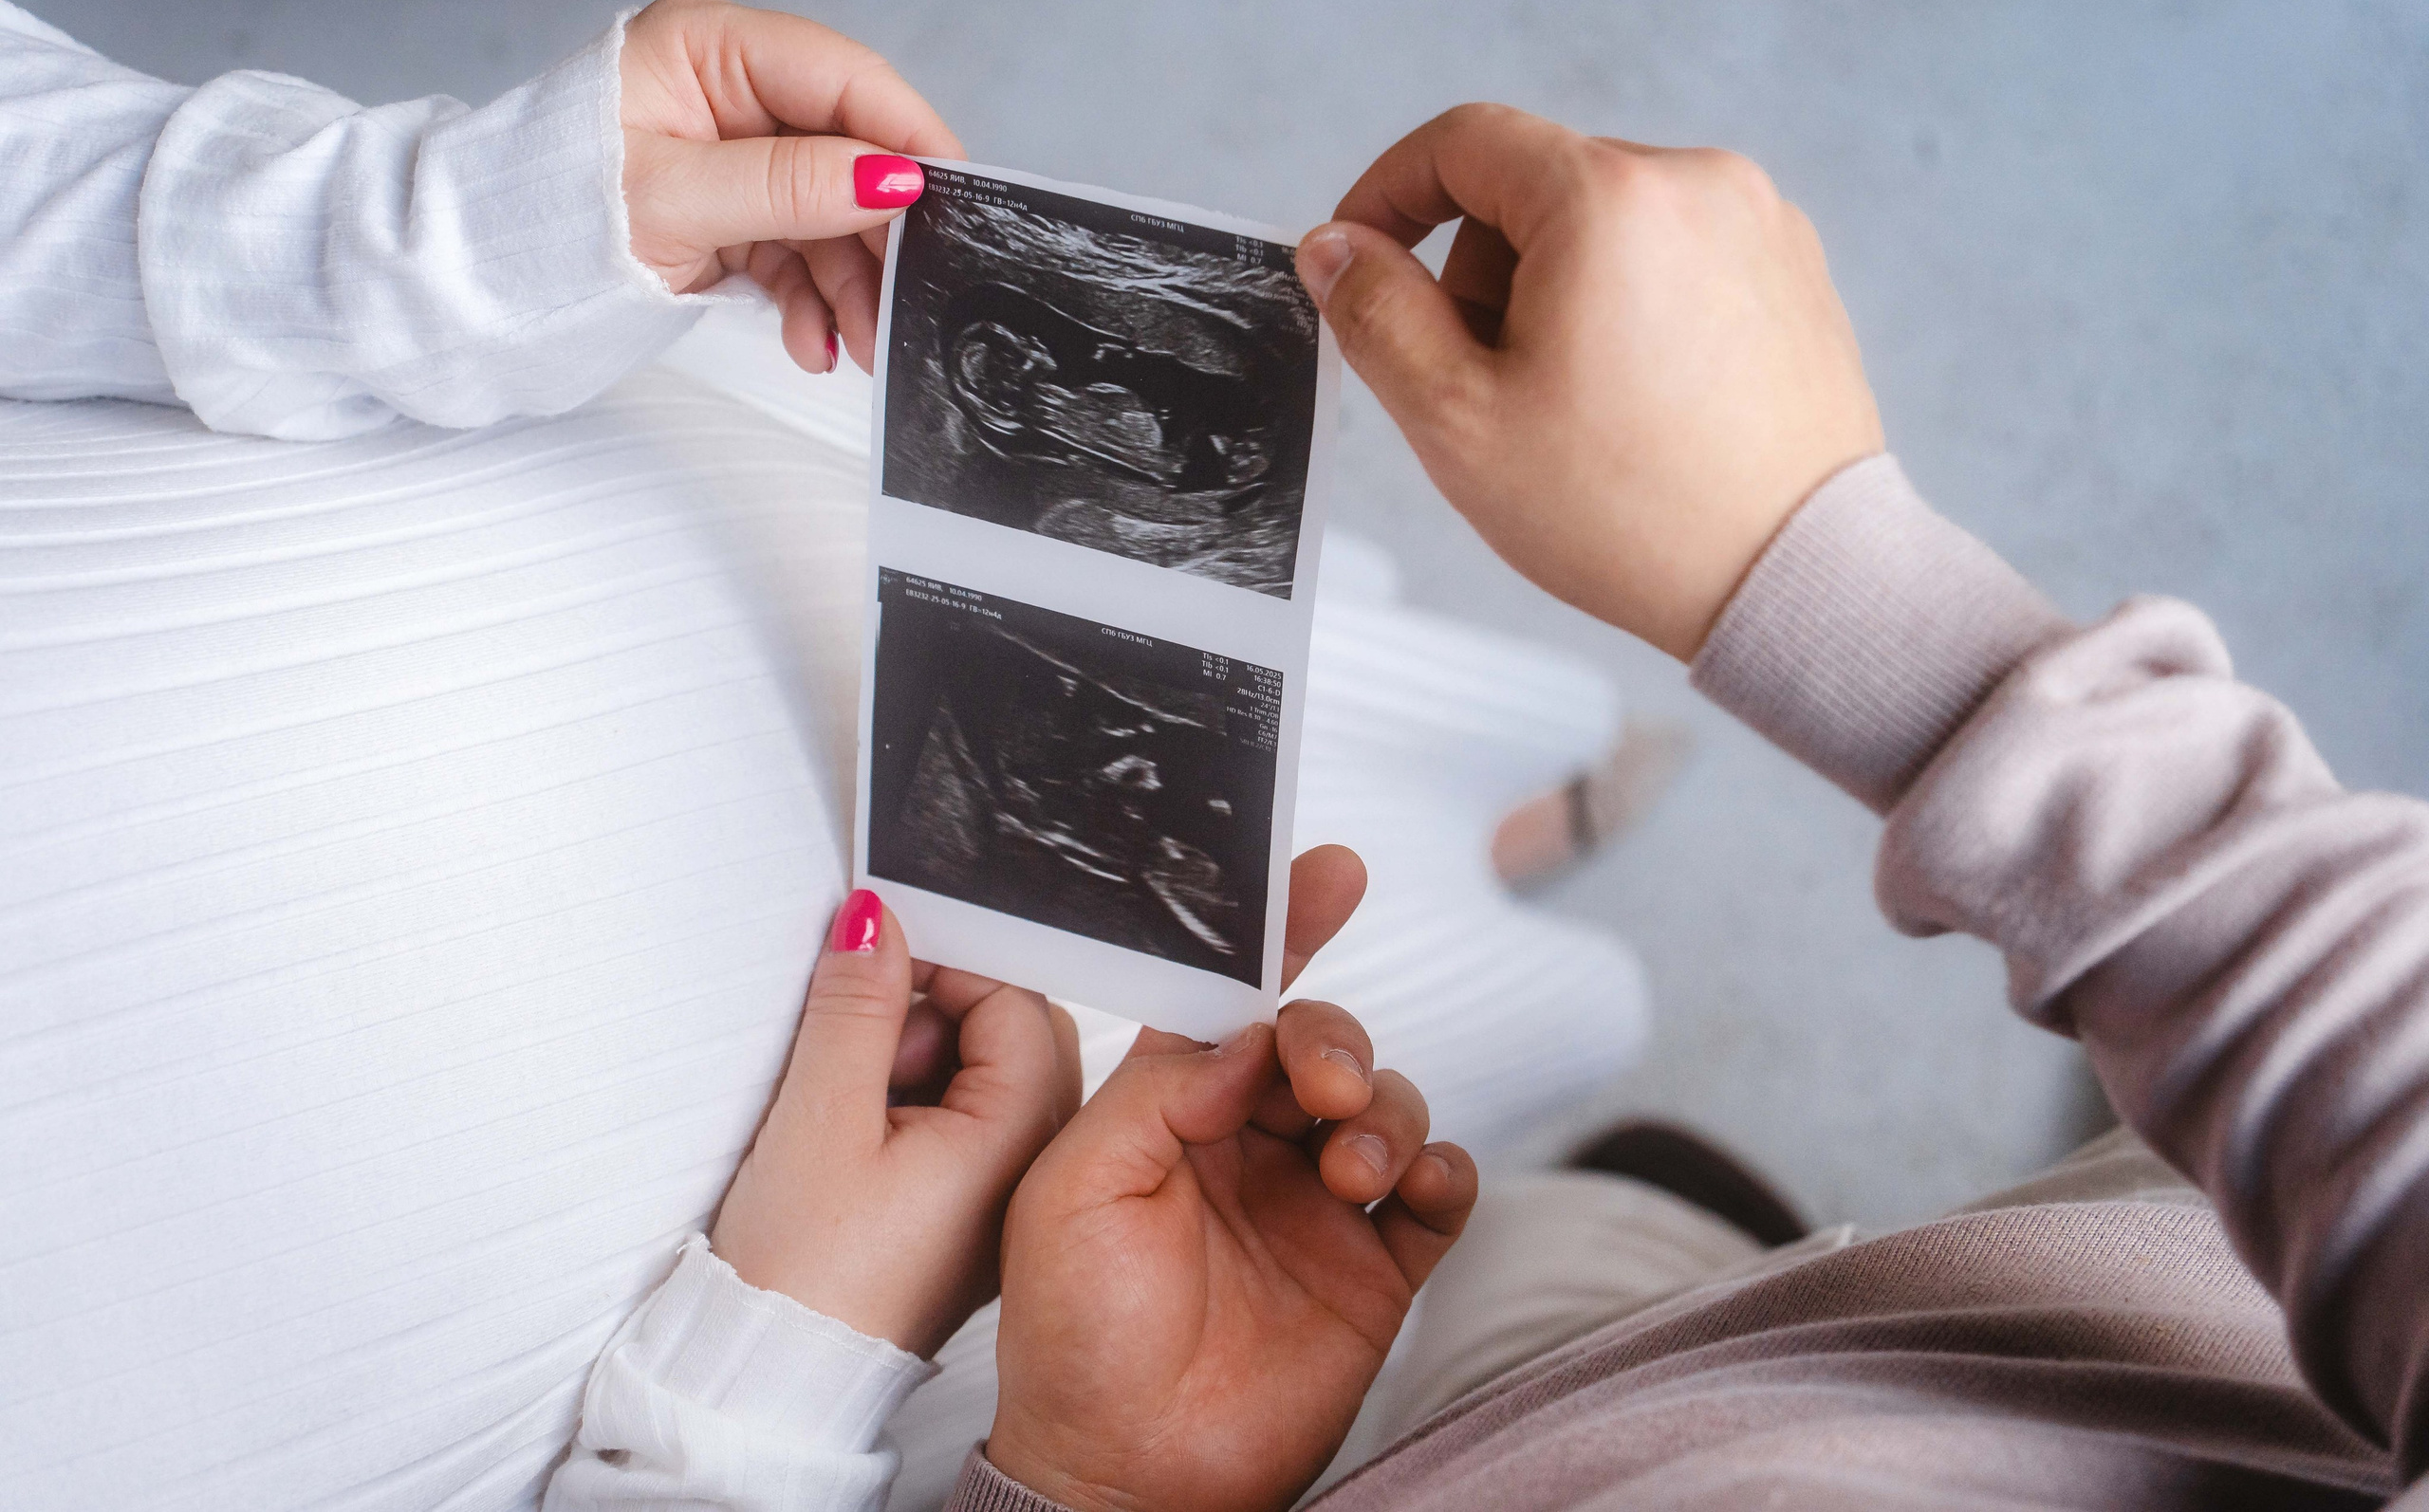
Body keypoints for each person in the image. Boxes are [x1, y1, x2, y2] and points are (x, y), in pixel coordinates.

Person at [551, 118, 2429, 1507]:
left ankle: (1643, 1152)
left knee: (1553, 1225)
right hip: (1837, 1356)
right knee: (1589, 1223)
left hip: (1465, 1404)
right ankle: (1686, 1195)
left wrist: (1051, 1475)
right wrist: (1833, 592)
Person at [0, 0, 1642, 1510]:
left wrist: (423, 230)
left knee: (1281, 687)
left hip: (634, 521)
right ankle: (1499, 861)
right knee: (1336, 987)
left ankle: (1485, 801)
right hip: (833, 1247)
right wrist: (776, 1370)